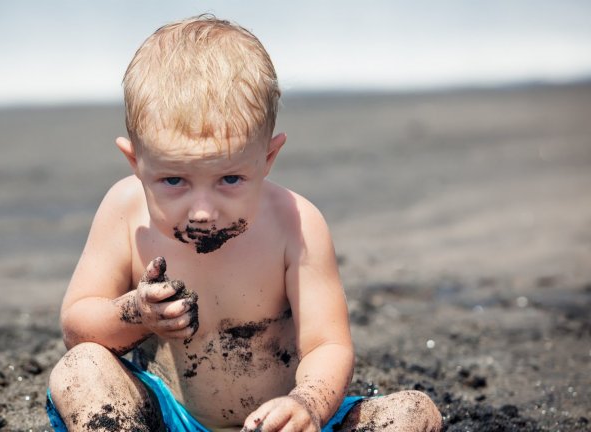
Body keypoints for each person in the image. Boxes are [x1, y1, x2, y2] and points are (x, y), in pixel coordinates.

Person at [47, 14, 442, 432]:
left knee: (414, 412)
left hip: (279, 420)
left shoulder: (295, 224)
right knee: (80, 369)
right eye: (174, 180)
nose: (202, 211)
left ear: (268, 158)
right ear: (136, 163)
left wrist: (307, 404)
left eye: (230, 179)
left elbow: (327, 343)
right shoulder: (126, 212)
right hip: (167, 415)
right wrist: (136, 313)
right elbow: (77, 330)